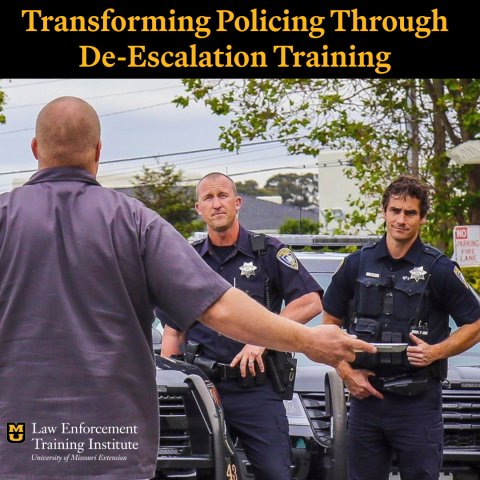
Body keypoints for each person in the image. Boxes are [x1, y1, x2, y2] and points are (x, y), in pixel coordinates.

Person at [0, 96, 375, 480]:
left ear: (35, 148)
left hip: (17, 441)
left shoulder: (4, 217)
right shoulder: (135, 223)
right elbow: (219, 308)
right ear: (98, 151)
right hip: (112, 446)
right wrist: (309, 340)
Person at [159, 172, 324, 480]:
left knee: (275, 473)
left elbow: (310, 302)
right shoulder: (188, 259)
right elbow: (173, 330)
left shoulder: (268, 251)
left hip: (255, 389)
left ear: (237, 203)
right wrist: (173, 384)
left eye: (223, 196)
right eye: (208, 198)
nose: (216, 204)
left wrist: (263, 338)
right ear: (198, 209)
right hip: (203, 389)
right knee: (203, 474)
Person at [321, 175, 480, 480]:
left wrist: (436, 352)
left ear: (422, 217)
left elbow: (476, 323)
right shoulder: (356, 263)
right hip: (367, 399)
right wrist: (346, 372)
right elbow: (328, 325)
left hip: (418, 404)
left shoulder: (439, 268)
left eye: (410, 213)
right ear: (384, 212)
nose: (401, 220)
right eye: (395, 210)